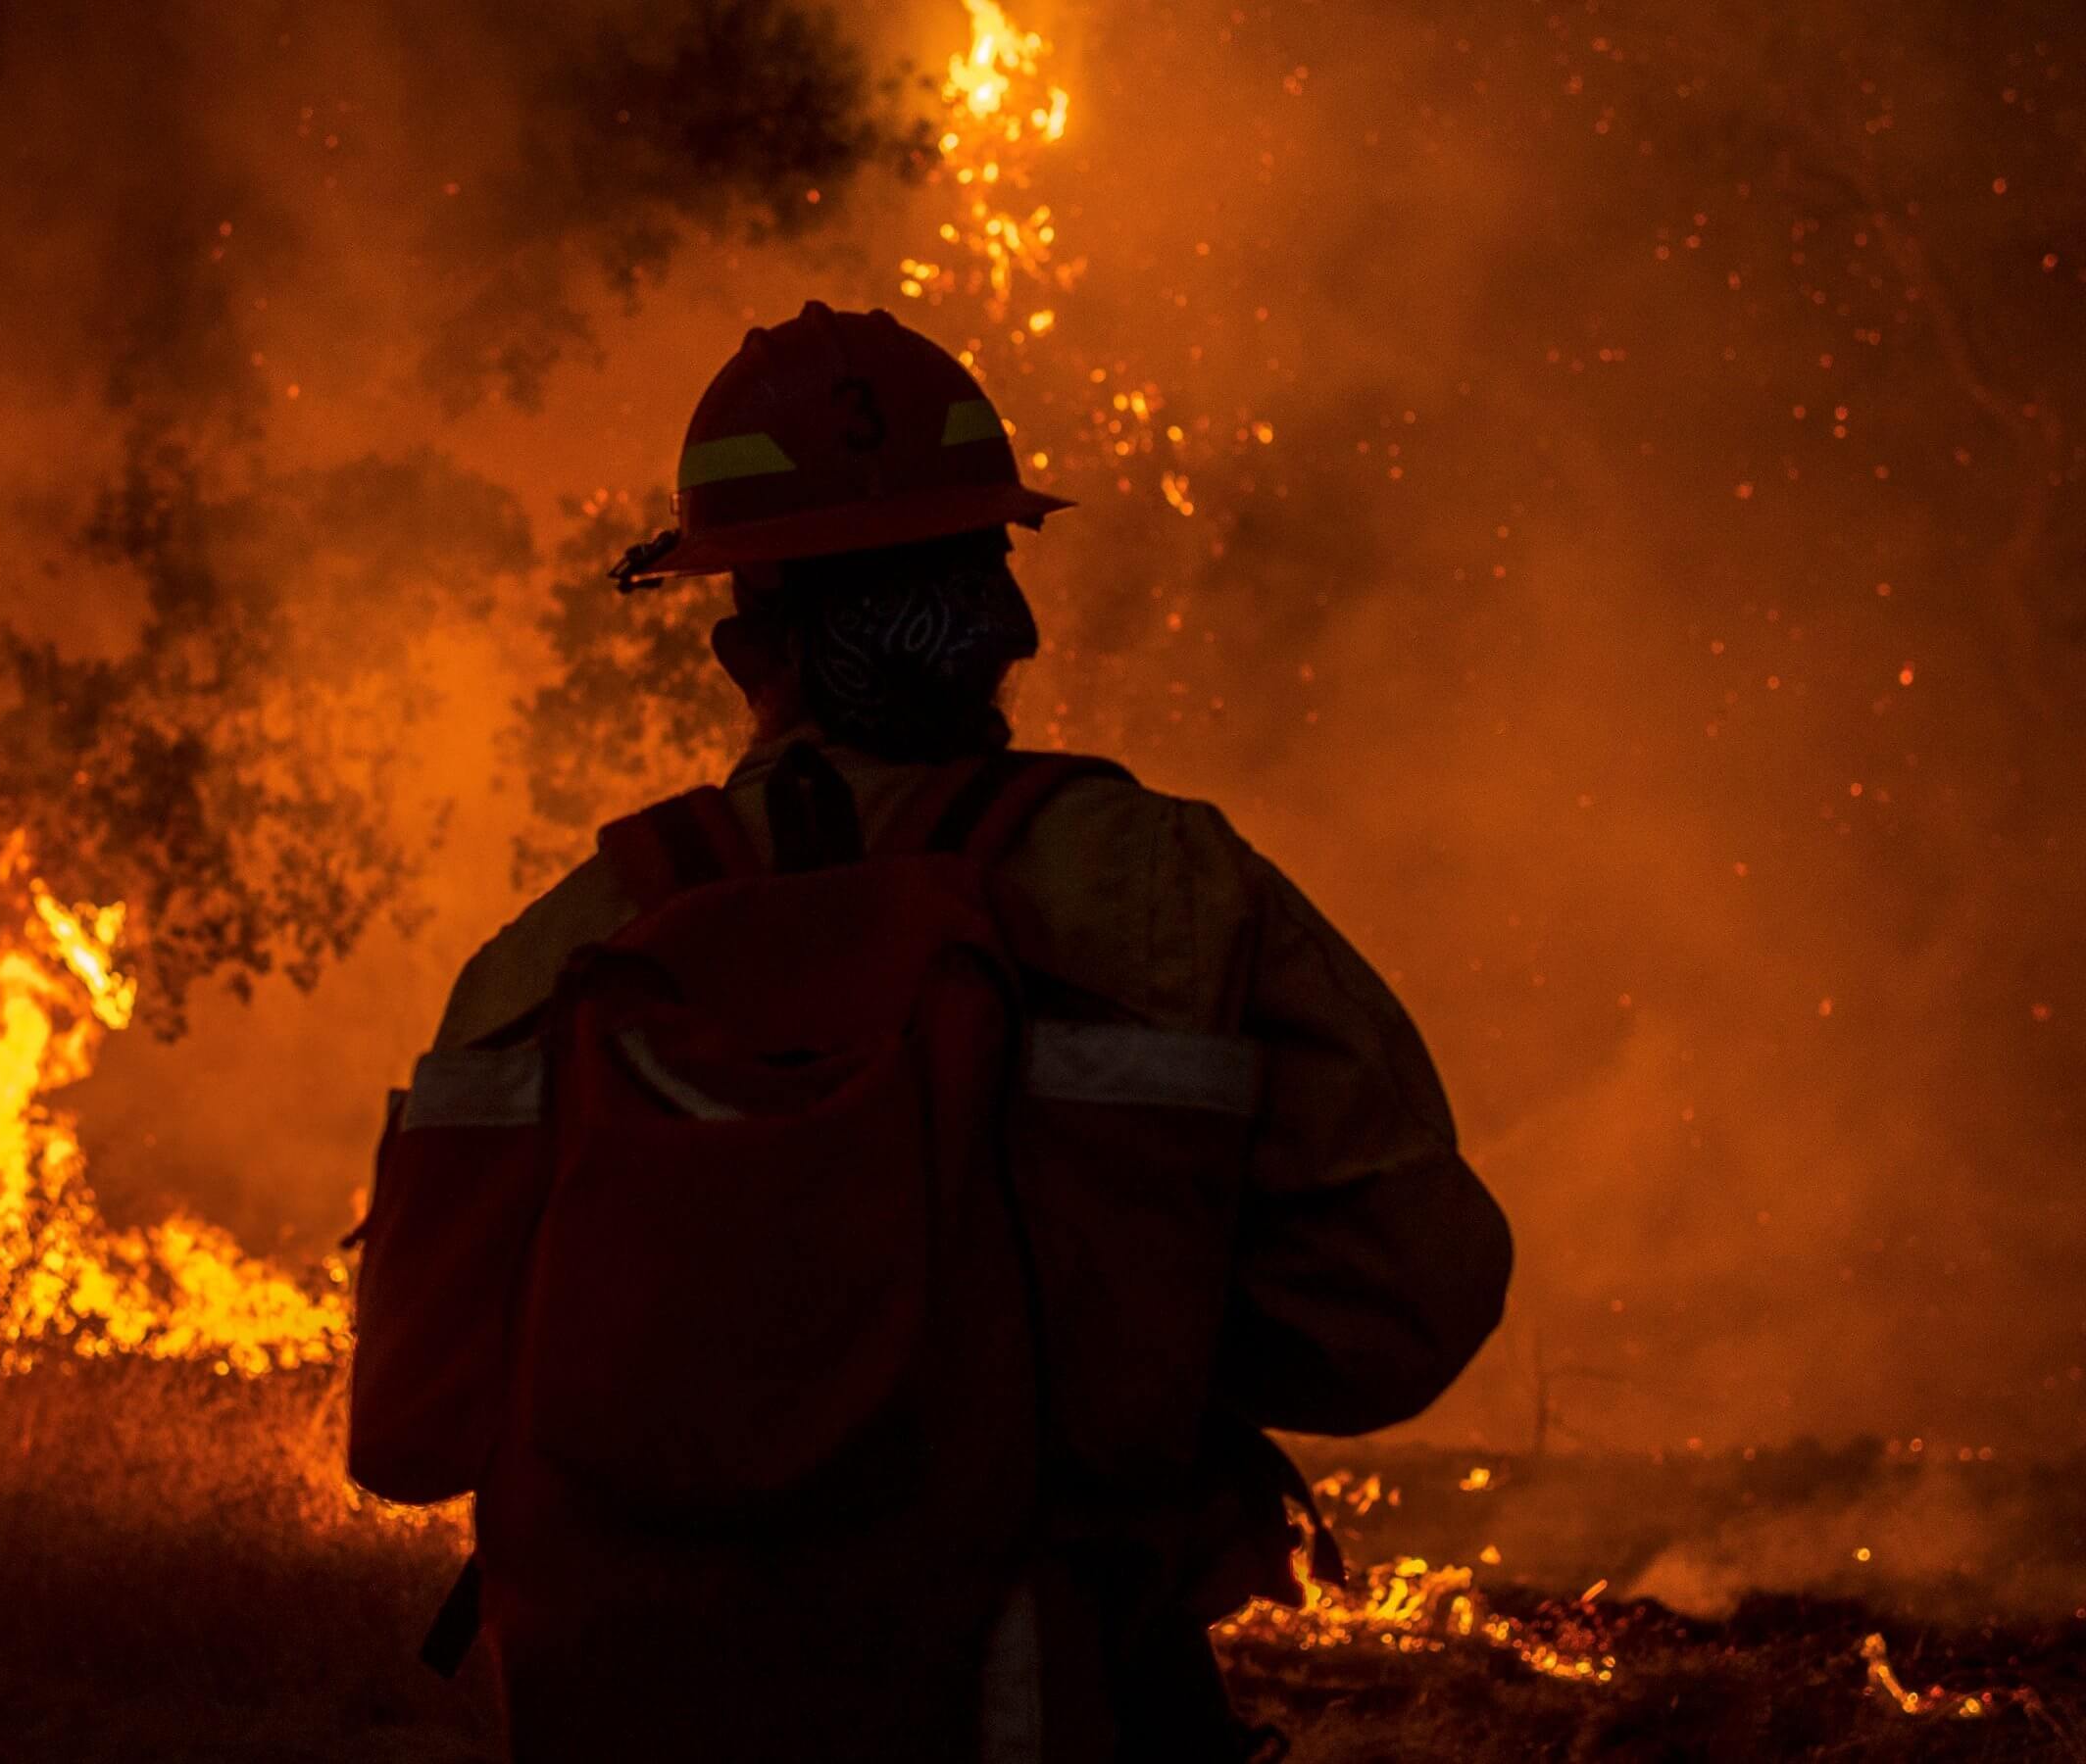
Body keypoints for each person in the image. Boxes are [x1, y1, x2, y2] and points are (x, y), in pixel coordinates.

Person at [347, 303, 1512, 1762]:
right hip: (1037, 1700)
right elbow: (1414, 1302)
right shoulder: (1174, 887)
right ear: (1001, 621)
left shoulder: (562, 954)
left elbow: (407, 1426)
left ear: (732, 645)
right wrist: (1104, 1339)